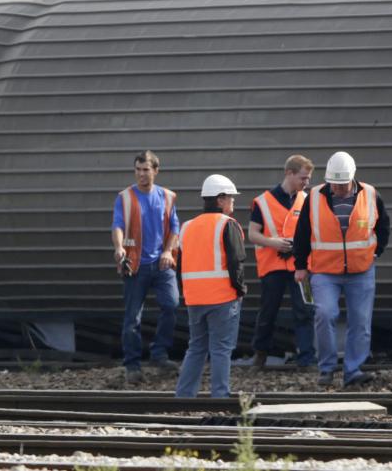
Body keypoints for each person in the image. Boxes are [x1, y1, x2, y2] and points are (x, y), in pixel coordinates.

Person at [292, 151, 389, 388]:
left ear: (352, 179)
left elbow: (384, 227)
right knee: (325, 314)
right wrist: (300, 266)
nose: (337, 189)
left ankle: (352, 371)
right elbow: (302, 233)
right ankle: (326, 368)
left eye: (342, 184)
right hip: (325, 271)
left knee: (361, 322)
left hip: (361, 270)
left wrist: (376, 252)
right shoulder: (314, 196)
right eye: (333, 183)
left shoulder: (370, 194)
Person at [111, 150, 181, 383]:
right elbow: (118, 225)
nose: (141, 174)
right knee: (133, 318)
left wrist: (168, 251)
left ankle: (159, 354)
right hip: (135, 264)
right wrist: (119, 247)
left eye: (146, 170)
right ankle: (132, 365)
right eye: (138, 170)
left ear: (155, 171)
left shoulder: (168, 197)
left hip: (162, 264)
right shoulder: (125, 197)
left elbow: (174, 228)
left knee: (171, 305)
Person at [175, 175, 247, 398]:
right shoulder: (228, 225)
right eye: (231, 198)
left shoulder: (187, 227)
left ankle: (184, 396)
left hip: (195, 299)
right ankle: (220, 397)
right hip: (223, 298)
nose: (233, 202)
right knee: (221, 349)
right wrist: (240, 289)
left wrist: (187, 292)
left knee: (196, 347)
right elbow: (236, 261)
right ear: (220, 199)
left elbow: (180, 266)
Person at [247, 154, 316, 369]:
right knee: (268, 311)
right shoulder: (262, 202)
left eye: (308, 178)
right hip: (273, 266)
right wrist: (273, 243)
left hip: (302, 265)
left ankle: (306, 358)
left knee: (305, 309)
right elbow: (252, 234)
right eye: (303, 178)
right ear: (289, 173)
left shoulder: (308, 200)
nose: (306, 182)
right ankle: (260, 354)